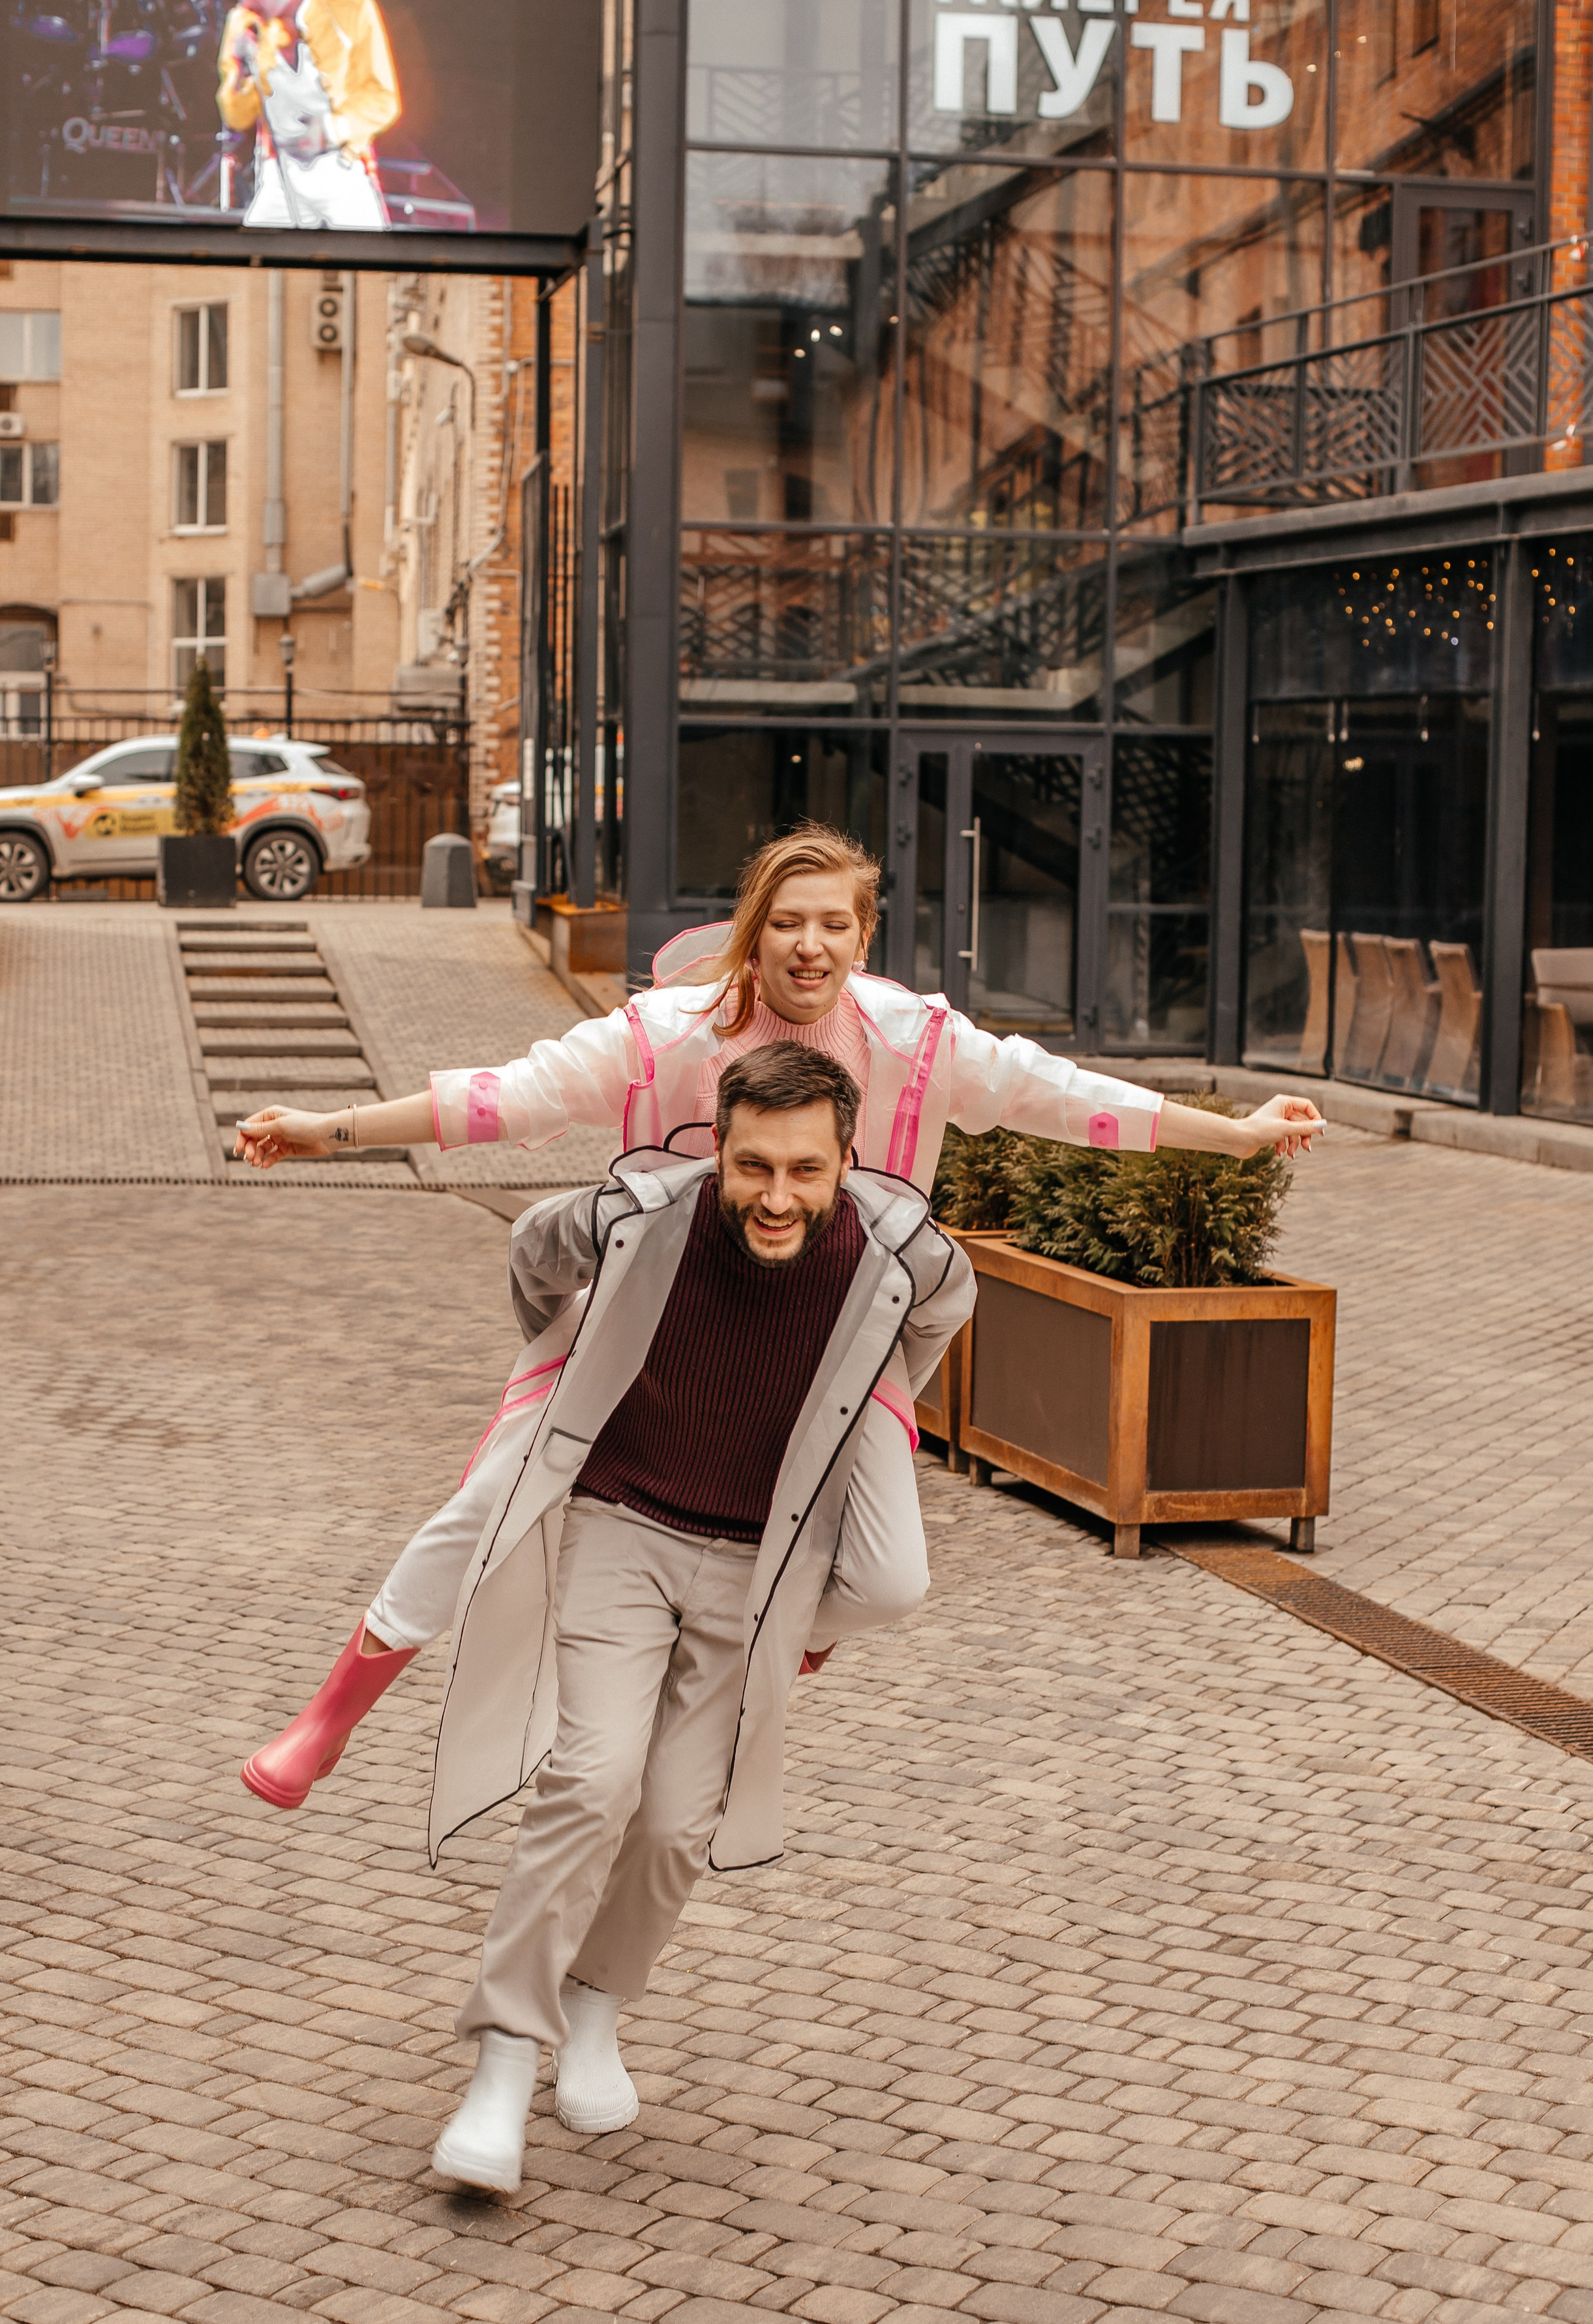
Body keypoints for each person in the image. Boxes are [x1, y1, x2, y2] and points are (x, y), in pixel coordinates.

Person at [235, 824, 1324, 1807]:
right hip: (654, 1323)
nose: (811, 945)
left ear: (864, 938)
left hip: (832, 1344)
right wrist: (328, 1128)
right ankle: (328, 1722)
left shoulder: (919, 1042)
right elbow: (498, 1098)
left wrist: (1235, 1135)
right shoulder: (666, 1032)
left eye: (834, 924)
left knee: (891, 1578)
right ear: (753, 939)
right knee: (488, 1499)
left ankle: (789, 1634)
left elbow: (1071, 1100)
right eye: (788, 924)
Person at [418, 1043, 975, 2192]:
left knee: (679, 1824)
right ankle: (504, 2063)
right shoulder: (640, 1219)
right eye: (755, 1165)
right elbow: (534, 1258)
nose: (779, 1196)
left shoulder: (893, 1262)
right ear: (718, 1149)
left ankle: (595, 2010)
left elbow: (932, 1330)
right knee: (591, 1779)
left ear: (847, 1163)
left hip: (761, 1566)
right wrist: (563, 1360)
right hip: (626, 1524)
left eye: (806, 1171)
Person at [217, 0, 399, 232]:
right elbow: (236, 117)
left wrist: (328, 131)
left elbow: (383, 100)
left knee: (368, 261)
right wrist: (240, 70)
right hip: (280, 173)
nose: (247, 4)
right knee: (254, 260)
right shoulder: (242, 22)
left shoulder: (353, 10)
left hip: (341, 171)